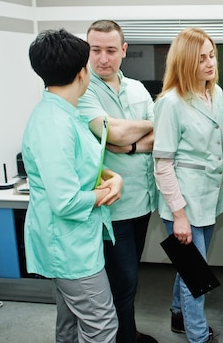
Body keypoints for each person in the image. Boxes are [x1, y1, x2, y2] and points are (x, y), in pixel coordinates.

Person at [22, 29, 123, 342]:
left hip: (74, 241)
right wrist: (103, 193)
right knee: (102, 325)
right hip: (69, 249)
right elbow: (65, 200)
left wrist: (111, 176)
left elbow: (81, 165)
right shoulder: (54, 123)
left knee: (70, 324)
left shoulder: (66, 113)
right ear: (83, 72)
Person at [77, 20, 158, 343]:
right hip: (111, 206)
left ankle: (127, 330)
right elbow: (115, 131)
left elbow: (157, 130)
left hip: (143, 200)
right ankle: (124, 337)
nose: (103, 59)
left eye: (111, 50)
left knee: (131, 277)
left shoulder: (137, 88)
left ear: (123, 51)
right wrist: (136, 129)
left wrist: (128, 144)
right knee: (121, 280)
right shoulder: (82, 90)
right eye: (95, 50)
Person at [153, 27, 223, 343]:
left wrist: (222, 191)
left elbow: (216, 150)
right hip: (182, 202)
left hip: (209, 196)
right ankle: (198, 336)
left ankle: (179, 315)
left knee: (190, 268)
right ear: (184, 62)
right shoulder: (170, 102)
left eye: (211, 55)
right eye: (201, 59)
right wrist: (179, 214)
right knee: (195, 275)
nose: (210, 63)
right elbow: (163, 164)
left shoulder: (217, 93)